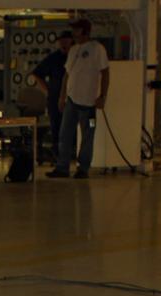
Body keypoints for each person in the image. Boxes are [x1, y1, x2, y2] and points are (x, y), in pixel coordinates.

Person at [48, 19, 110, 179]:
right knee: (64, 134)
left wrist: (103, 96)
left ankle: (83, 168)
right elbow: (67, 75)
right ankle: (62, 167)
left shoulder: (97, 49)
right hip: (71, 102)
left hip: (89, 105)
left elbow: (105, 73)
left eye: (77, 30)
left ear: (85, 31)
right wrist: (62, 97)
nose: (74, 33)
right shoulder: (74, 49)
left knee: (88, 135)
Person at [32, 31, 73, 162]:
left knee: (74, 127)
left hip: (74, 98)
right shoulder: (54, 58)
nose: (63, 45)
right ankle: (59, 156)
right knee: (57, 128)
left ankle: (72, 153)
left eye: (65, 42)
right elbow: (37, 74)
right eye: (61, 43)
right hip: (55, 100)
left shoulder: (76, 57)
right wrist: (48, 91)